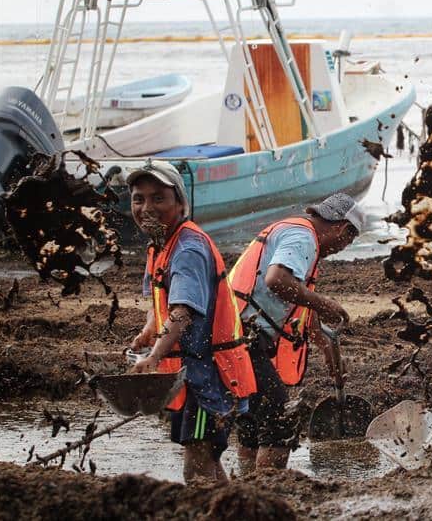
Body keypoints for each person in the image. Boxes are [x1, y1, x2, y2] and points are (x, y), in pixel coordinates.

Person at [127, 160, 256, 483]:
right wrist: (149, 330)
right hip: (195, 373)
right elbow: (162, 303)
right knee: (208, 462)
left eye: (159, 198)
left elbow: (182, 311)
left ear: (180, 204)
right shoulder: (160, 245)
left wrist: (155, 356)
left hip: (210, 376)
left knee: (196, 469)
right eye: (138, 198)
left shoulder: (187, 248)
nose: (146, 208)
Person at [228, 193, 363, 473]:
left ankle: (248, 481)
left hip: (235, 331)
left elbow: (304, 312)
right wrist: (325, 303)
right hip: (243, 334)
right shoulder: (303, 238)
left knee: (254, 414)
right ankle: (271, 486)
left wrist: (329, 354)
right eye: (349, 240)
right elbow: (277, 280)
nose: (342, 248)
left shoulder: (295, 232)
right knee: (277, 410)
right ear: (342, 228)